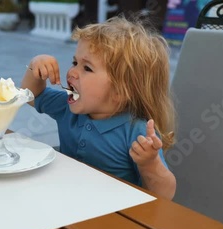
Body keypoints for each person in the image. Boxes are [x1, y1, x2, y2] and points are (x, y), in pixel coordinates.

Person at [21, 15, 176, 199]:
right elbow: (29, 96)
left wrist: (149, 163)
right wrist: (35, 66)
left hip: (115, 219)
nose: (72, 72)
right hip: (68, 202)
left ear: (120, 91)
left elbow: (166, 195)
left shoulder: (137, 132)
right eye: (75, 62)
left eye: (87, 68)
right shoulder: (68, 107)